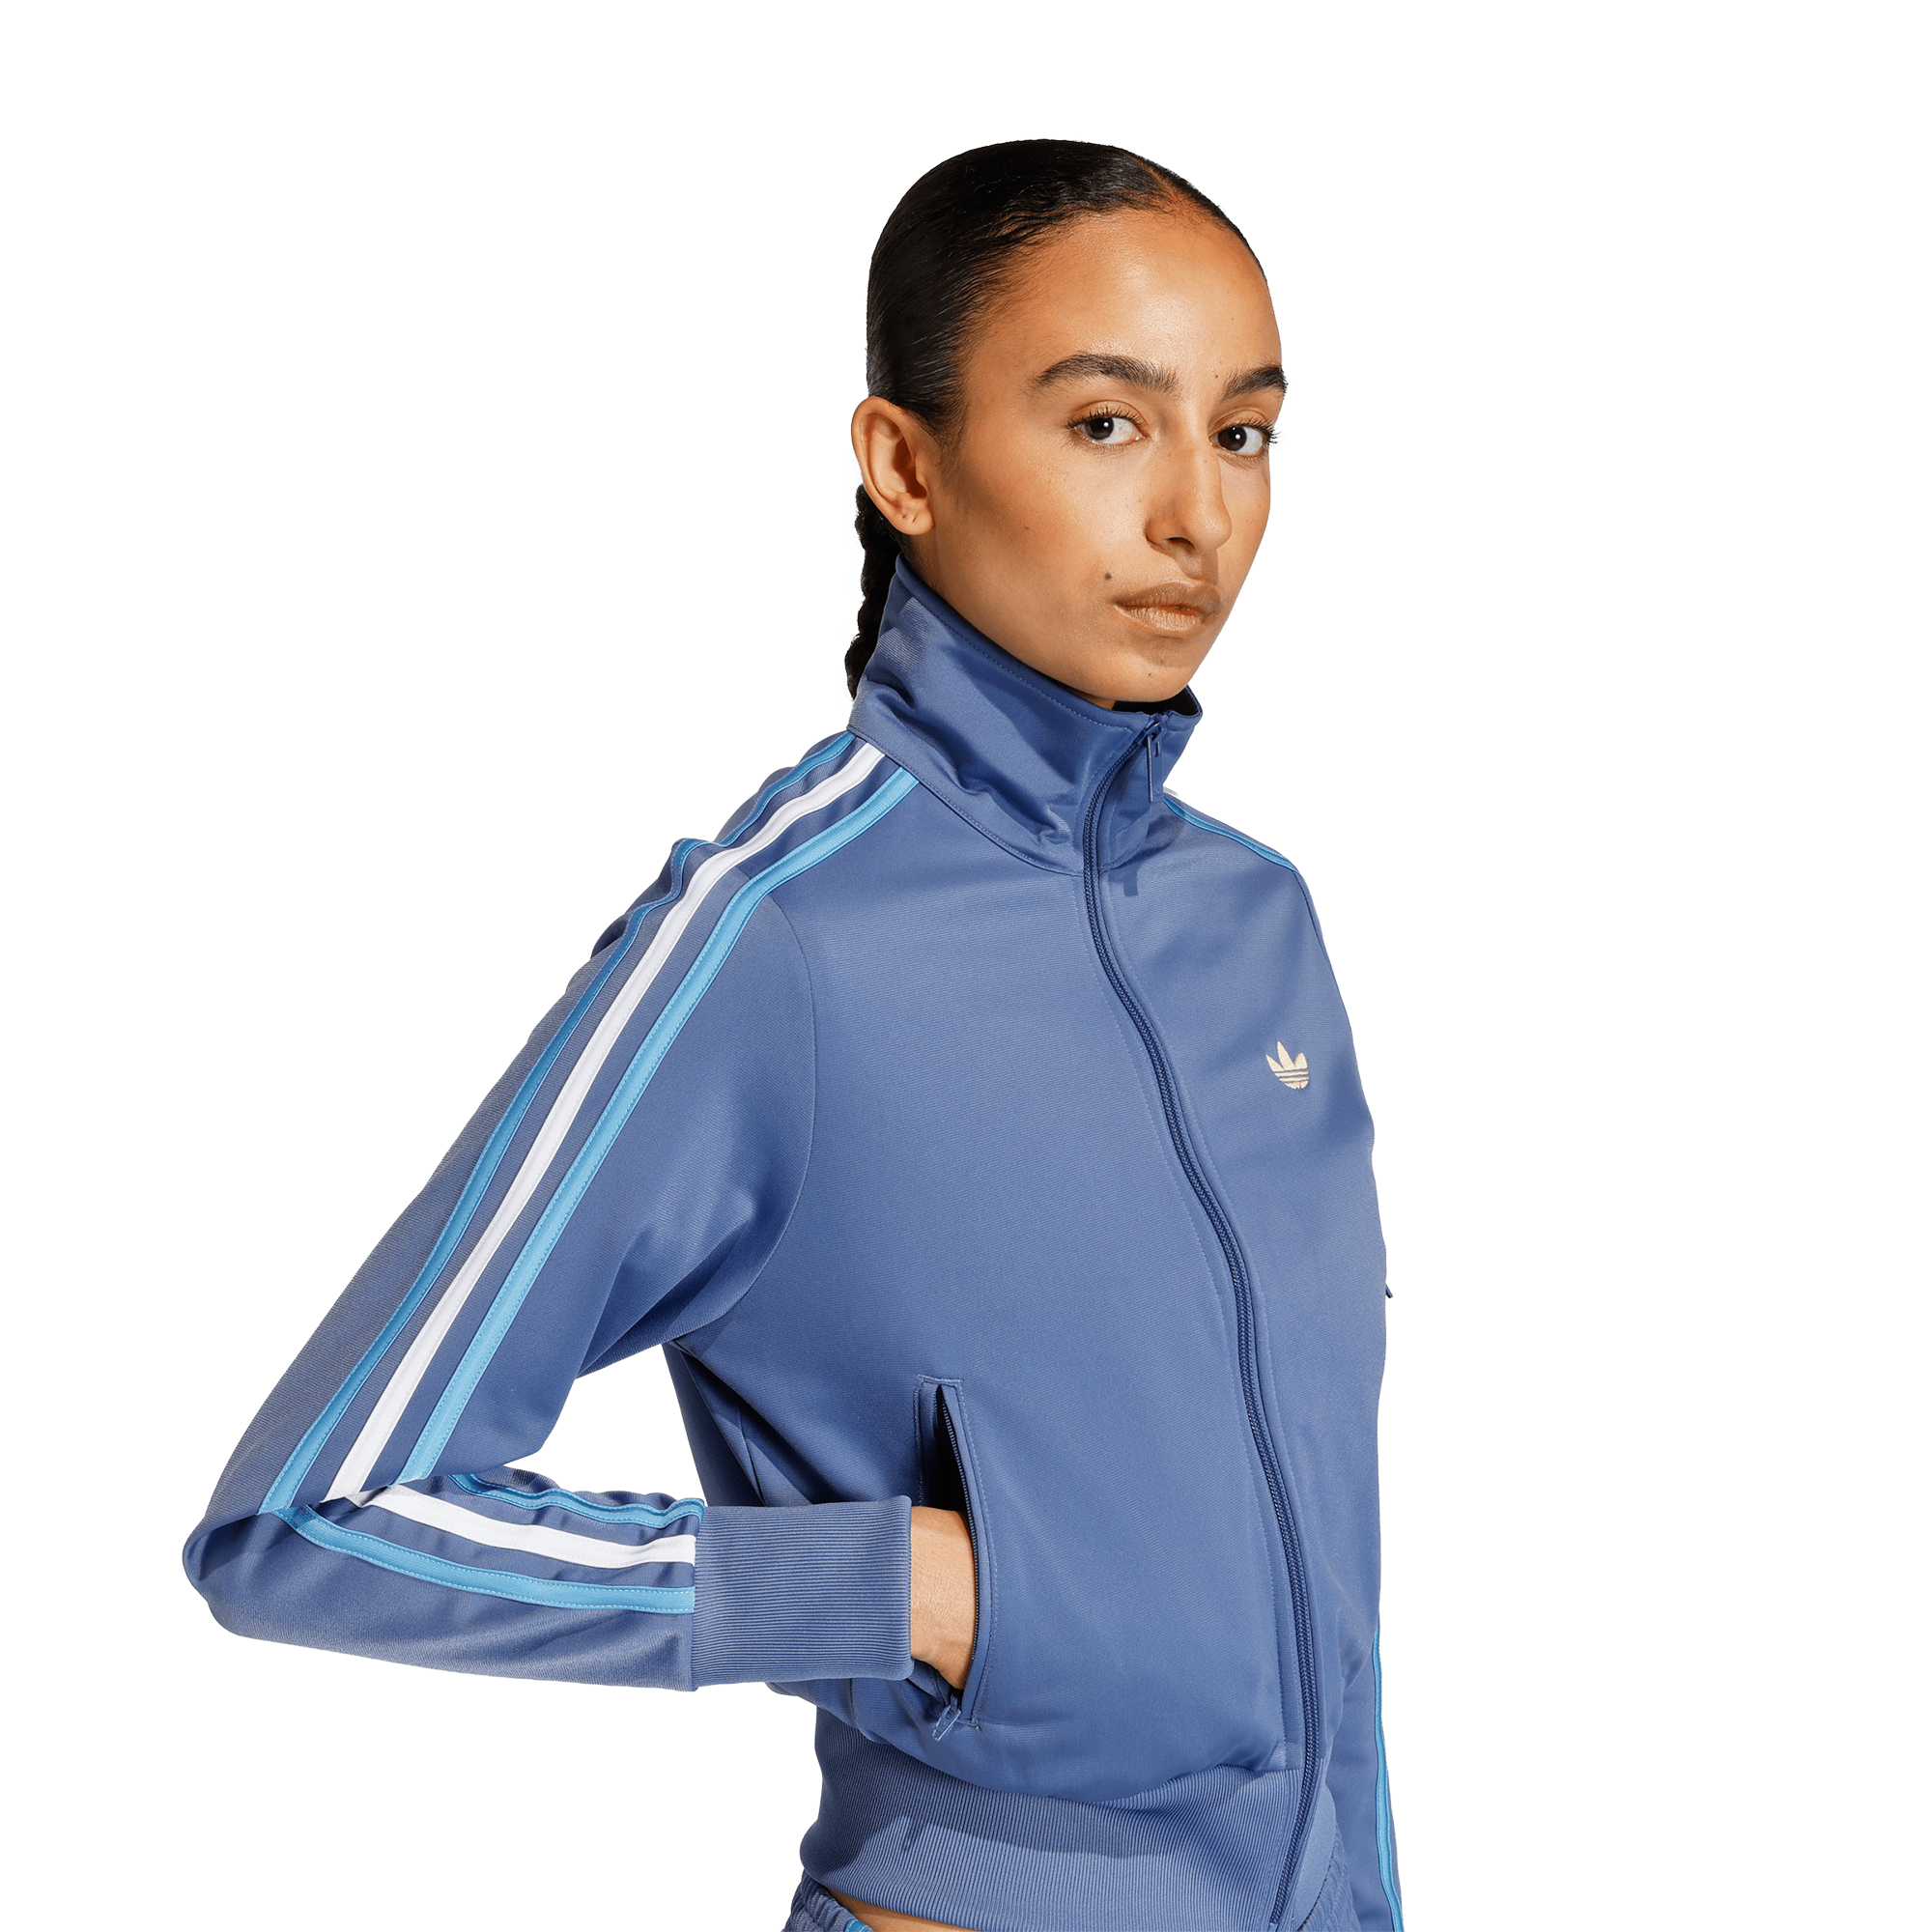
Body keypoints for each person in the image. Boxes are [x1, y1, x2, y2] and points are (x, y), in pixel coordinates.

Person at [184, 139, 1403, 1932]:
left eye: (1243, 433)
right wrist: (892, 1588)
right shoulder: (777, 938)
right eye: (1104, 424)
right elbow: (314, 1515)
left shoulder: (1258, 924)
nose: (1195, 518)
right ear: (905, 464)